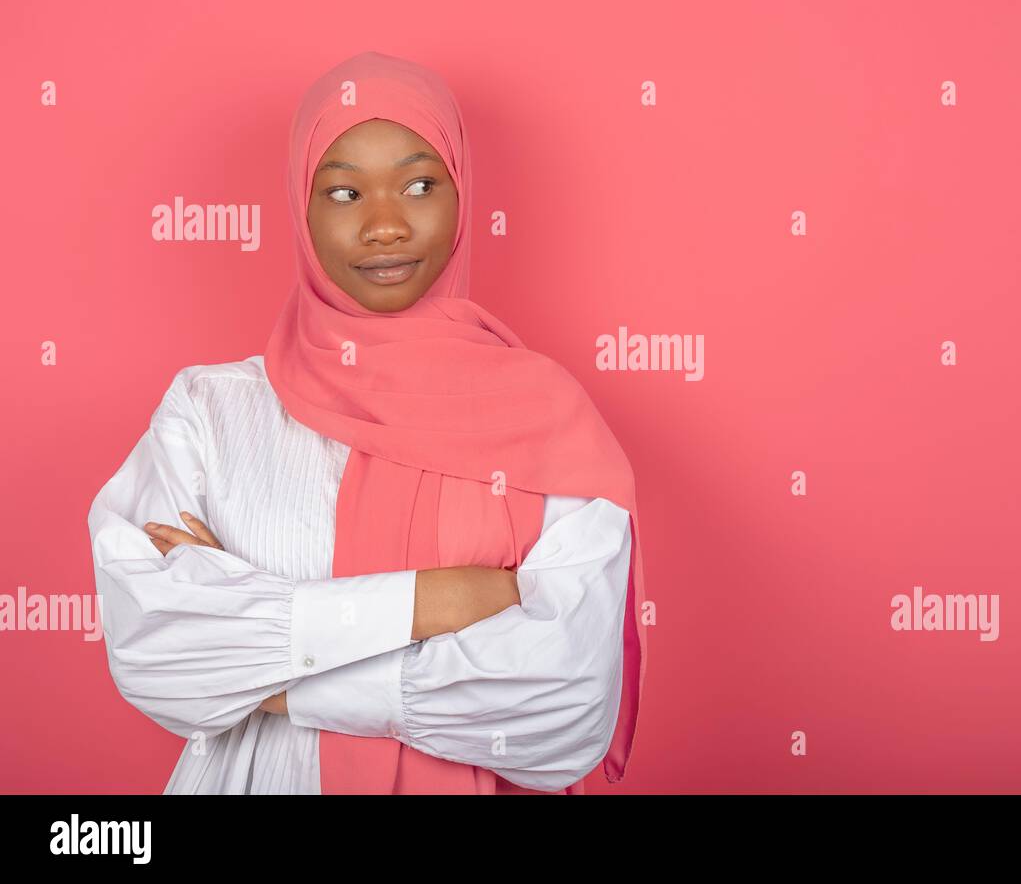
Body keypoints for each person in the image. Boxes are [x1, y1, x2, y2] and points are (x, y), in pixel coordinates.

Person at [86, 50, 647, 794]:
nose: (385, 225)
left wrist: (280, 679)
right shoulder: (212, 412)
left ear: (461, 193)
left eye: (419, 185)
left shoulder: (547, 419)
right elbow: (155, 650)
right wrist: (437, 601)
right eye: (345, 192)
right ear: (301, 204)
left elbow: (566, 705)